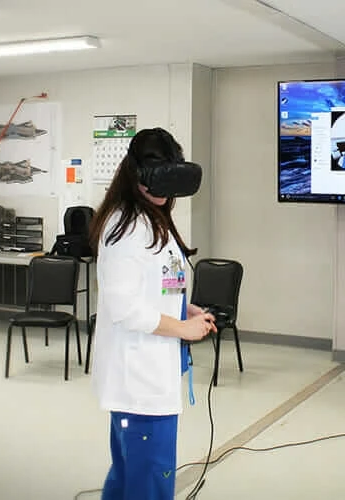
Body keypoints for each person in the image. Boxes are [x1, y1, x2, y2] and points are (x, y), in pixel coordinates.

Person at [88, 127, 216, 500]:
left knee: (128, 477)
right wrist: (184, 329)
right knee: (148, 485)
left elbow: (155, 283)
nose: (163, 192)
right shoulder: (127, 228)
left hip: (148, 379)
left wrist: (183, 308)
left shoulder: (150, 218)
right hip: (139, 384)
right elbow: (125, 309)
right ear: (135, 175)